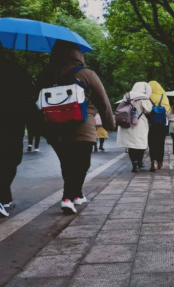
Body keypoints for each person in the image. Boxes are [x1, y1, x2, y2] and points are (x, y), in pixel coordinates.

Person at [36, 41, 115, 215]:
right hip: (82, 125)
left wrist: (41, 128)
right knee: (81, 163)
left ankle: (77, 194)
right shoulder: (86, 73)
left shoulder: (46, 75)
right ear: (77, 55)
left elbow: (37, 103)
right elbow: (103, 101)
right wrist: (109, 124)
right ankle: (67, 197)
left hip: (54, 126)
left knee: (67, 163)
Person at [0, 48, 34, 218]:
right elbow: (30, 97)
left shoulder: (15, 69)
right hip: (12, 121)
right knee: (11, 160)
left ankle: (4, 195)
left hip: (12, 121)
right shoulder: (15, 69)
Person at [117, 82, 153, 173]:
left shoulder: (127, 96)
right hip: (140, 124)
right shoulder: (144, 98)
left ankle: (135, 164)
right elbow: (148, 110)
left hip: (127, 122)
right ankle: (140, 162)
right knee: (140, 144)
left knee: (131, 145)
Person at [148, 81, 170, 171]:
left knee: (152, 143)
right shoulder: (164, 96)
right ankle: (160, 162)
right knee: (161, 143)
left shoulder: (148, 96)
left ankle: (153, 161)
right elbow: (168, 110)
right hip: (162, 123)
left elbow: (146, 109)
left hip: (151, 124)